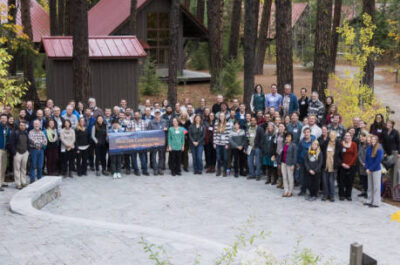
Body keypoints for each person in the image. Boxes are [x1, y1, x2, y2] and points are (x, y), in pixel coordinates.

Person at [320, 130, 340, 202]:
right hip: (325, 165)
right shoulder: (325, 143)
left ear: (336, 136)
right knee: (325, 181)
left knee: (331, 181)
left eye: (333, 135)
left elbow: (340, 156)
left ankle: (331, 196)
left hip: (333, 166)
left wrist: (337, 163)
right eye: (331, 135)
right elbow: (321, 152)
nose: (332, 136)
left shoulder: (338, 144)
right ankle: (325, 195)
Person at [338, 131, 358, 201]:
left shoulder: (354, 144)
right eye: (346, 136)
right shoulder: (341, 144)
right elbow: (338, 155)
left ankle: (348, 195)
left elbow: (355, 155)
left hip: (351, 166)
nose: (347, 137)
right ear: (344, 137)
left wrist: (349, 165)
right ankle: (341, 195)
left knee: (350, 181)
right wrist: (342, 163)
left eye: (349, 136)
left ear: (351, 137)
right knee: (341, 181)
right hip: (342, 165)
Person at [364, 135, 383, 208]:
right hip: (369, 170)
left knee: (376, 187)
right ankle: (369, 201)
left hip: (376, 170)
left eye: (374, 139)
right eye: (372, 139)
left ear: (377, 140)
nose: (373, 141)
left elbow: (377, 161)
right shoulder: (369, 148)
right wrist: (367, 168)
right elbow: (366, 159)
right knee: (370, 186)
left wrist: (370, 169)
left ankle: (376, 203)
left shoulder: (379, 148)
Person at [10, 120, 29, 189]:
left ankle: (23, 182)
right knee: (17, 169)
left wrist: (27, 151)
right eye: (21, 125)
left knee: (23, 168)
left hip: (25, 153)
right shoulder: (14, 133)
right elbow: (11, 144)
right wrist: (14, 152)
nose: (22, 127)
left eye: (24, 125)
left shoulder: (26, 133)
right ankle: (18, 183)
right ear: (19, 126)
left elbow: (28, 142)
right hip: (17, 153)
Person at [296, 127, 316, 196]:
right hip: (302, 161)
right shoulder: (301, 141)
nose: (306, 133)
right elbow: (298, 151)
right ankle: (303, 190)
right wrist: (297, 161)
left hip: (310, 162)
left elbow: (316, 152)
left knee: (310, 177)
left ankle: (310, 191)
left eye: (308, 132)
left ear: (310, 133)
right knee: (302, 177)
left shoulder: (314, 141)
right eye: (305, 132)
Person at [148, 109, 168, 175]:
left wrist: (166, 129)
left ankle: (160, 169)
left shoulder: (164, 121)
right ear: (154, 114)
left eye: (158, 113)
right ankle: (155, 169)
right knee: (153, 156)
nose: (157, 115)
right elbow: (148, 132)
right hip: (154, 142)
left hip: (162, 141)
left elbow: (167, 128)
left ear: (160, 114)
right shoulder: (151, 122)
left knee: (161, 156)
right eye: (156, 113)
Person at [130, 111, 149, 176]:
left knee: (143, 157)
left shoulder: (144, 122)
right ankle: (136, 170)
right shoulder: (131, 122)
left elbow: (148, 132)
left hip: (142, 142)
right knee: (134, 157)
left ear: (140, 115)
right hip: (133, 142)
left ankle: (145, 170)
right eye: (135, 115)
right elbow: (126, 131)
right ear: (134, 116)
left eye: (138, 115)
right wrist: (130, 131)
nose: (136, 116)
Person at [213, 112, 232, 177]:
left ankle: (224, 171)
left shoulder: (228, 124)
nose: (221, 117)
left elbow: (229, 135)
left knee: (225, 158)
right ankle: (218, 170)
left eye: (222, 116)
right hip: (218, 143)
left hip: (224, 144)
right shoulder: (216, 124)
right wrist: (214, 143)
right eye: (220, 116)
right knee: (218, 158)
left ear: (225, 117)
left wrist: (227, 143)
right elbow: (215, 134)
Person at [280, 132, 297, 197]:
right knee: (284, 177)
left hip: (290, 163)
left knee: (290, 177)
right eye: (286, 136)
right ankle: (286, 190)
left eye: (289, 137)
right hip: (283, 162)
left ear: (291, 138)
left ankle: (290, 191)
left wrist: (293, 164)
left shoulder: (293, 145)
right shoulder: (284, 144)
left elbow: (295, 156)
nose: (287, 138)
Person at [358, 131, 369, 199]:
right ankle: (364, 191)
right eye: (360, 137)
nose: (361, 138)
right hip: (361, 165)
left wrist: (366, 163)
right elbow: (358, 155)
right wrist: (361, 163)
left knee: (367, 179)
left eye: (363, 137)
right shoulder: (360, 145)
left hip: (367, 165)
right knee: (363, 179)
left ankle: (368, 192)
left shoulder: (369, 145)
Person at [0, 114, 10, 190]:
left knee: (3, 167)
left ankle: (1, 181)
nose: (4, 120)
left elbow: (8, 138)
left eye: (5, 118)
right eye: (2, 118)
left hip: (5, 150)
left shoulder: (7, 128)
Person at [275, 123, 286, 189]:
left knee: (283, 169)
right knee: (278, 169)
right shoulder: (277, 135)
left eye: (282, 126)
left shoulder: (286, 135)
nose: (280, 128)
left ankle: (284, 183)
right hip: (278, 153)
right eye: (279, 127)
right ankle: (280, 181)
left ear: (284, 128)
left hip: (283, 154)